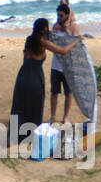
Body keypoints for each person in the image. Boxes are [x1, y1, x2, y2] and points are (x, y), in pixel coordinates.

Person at [10, 18, 82, 146]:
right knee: (35, 107)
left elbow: (27, 56)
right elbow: (63, 51)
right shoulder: (43, 43)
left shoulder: (29, 40)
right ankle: (31, 136)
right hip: (35, 77)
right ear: (44, 29)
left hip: (23, 76)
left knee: (20, 106)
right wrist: (76, 40)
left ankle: (14, 136)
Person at [48, 2, 81, 124]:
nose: (59, 18)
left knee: (68, 93)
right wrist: (58, 26)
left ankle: (66, 116)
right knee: (54, 92)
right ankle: (52, 116)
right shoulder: (55, 27)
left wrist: (66, 27)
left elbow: (74, 43)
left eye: (61, 15)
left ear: (68, 15)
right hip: (56, 65)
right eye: (57, 15)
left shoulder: (74, 27)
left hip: (68, 67)